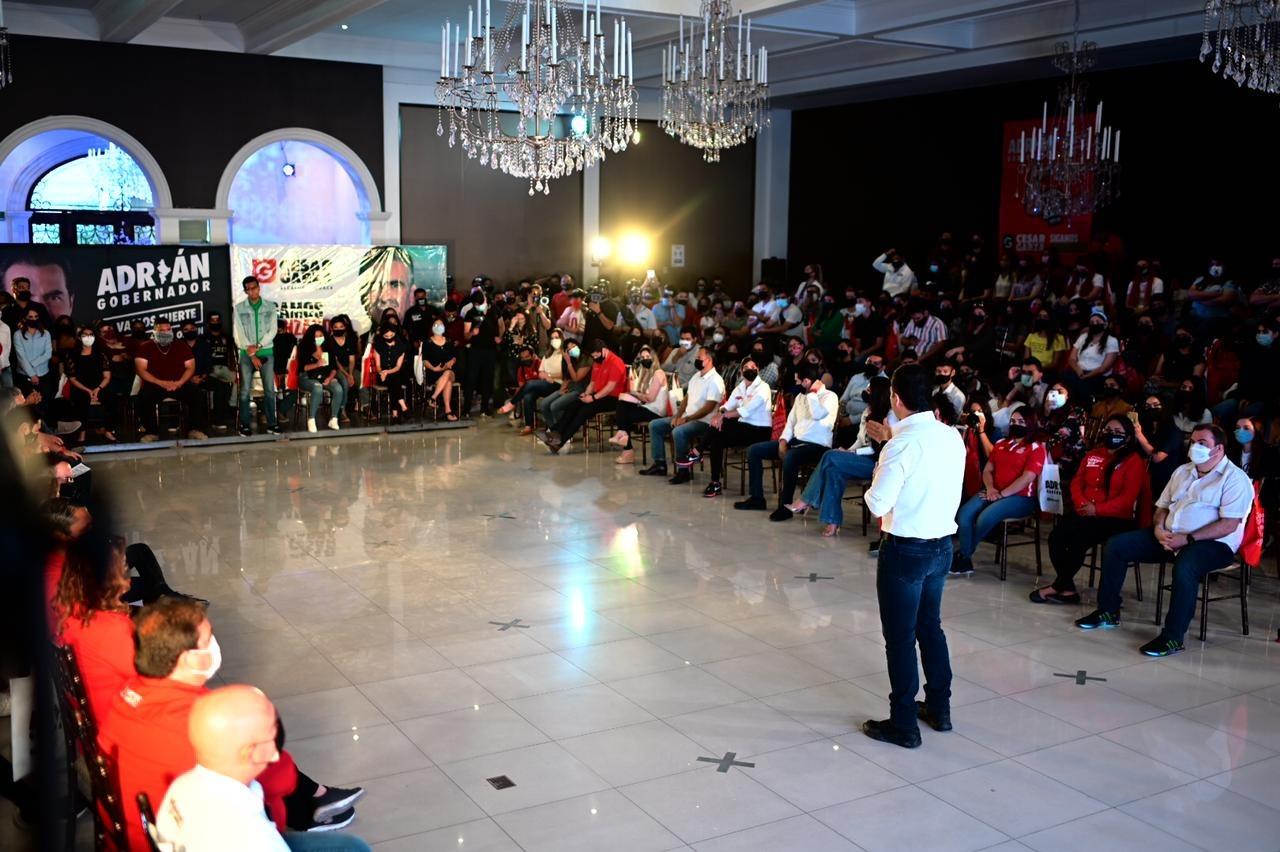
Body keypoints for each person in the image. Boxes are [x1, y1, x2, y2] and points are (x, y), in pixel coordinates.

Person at [99, 598, 365, 849]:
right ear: (187, 658)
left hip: (148, 830)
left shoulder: (129, 694)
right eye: (208, 639)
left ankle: (315, 802)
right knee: (351, 848)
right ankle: (314, 805)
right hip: (195, 840)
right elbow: (280, 780)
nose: (214, 645)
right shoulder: (199, 718)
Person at [1076, 424, 1253, 657]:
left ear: (1219, 449)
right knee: (1117, 546)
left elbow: (1229, 524)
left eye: (1203, 444)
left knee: (1186, 565)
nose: (1195, 447)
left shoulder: (1235, 479)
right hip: (1169, 535)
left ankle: (1172, 637)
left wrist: (1187, 539)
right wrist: (1159, 528)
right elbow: (1161, 507)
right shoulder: (1183, 471)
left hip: (1214, 544)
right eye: (1193, 442)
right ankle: (1108, 611)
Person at [860, 363, 965, 749]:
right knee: (930, 627)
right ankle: (939, 708)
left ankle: (903, 723)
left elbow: (877, 503)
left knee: (901, 638)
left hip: (906, 549)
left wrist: (880, 465)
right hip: (941, 546)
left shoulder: (899, 446)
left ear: (895, 398)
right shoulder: (951, 435)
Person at [158, 686, 373, 852]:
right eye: (272, 736)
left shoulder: (183, 784)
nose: (277, 753)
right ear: (250, 752)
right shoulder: (252, 835)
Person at [1030, 416, 1147, 604]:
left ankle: (1059, 587)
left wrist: (1097, 509)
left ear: (1127, 437)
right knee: (1056, 537)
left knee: (1077, 540)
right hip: (1085, 511)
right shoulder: (1093, 454)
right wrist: (1082, 504)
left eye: (1118, 432)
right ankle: (1067, 589)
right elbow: (1077, 482)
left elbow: (1127, 499)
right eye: (1108, 430)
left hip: (1114, 518)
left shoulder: (1133, 461)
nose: (1112, 435)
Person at [789, 375, 895, 538]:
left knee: (830, 456)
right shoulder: (867, 411)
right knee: (833, 470)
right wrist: (848, 451)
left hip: (877, 463)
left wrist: (851, 453)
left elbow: (877, 449)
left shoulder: (889, 416)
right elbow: (860, 440)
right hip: (861, 458)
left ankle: (806, 499)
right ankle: (832, 521)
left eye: (869, 389)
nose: (865, 391)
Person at [949, 407, 1046, 575]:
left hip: (1021, 497)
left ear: (1030, 424)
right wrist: (990, 489)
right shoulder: (1001, 444)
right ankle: (964, 558)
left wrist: (1001, 495)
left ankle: (964, 555)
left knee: (985, 517)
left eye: (1021, 422)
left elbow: (1027, 478)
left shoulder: (1036, 448)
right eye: (1013, 421)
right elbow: (988, 470)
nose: (1016, 425)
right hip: (993, 492)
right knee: (964, 514)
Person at [735, 365, 837, 521]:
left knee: (790, 457)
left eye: (798, 380)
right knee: (754, 450)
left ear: (806, 381)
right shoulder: (800, 397)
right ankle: (757, 498)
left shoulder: (829, 396)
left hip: (817, 446)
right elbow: (790, 423)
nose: (796, 383)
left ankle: (785, 505)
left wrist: (813, 393)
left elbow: (817, 414)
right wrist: (783, 440)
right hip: (796, 442)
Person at [53, 534, 135, 723]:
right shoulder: (111, 628)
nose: (126, 576)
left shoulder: (70, 611)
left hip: (94, 712)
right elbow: (147, 675)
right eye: (123, 567)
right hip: (117, 721)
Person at [688, 357, 773, 498]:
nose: (750, 370)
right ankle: (715, 482)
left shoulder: (764, 387)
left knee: (723, 424)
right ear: (741, 371)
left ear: (758, 370)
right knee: (717, 438)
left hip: (760, 430)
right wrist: (719, 414)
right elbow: (727, 405)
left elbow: (746, 410)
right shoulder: (740, 387)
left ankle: (697, 451)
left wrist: (723, 416)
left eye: (753, 367)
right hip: (743, 427)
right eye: (746, 367)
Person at [638, 349, 724, 481]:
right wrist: (678, 415)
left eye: (699, 357)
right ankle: (659, 464)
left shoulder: (715, 380)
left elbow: (709, 408)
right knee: (655, 425)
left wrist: (686, 419)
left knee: (679, 432)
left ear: (709, 360)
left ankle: (683, 471)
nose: (696, 359)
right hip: (687, 417)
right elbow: (686, 398)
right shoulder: (696, 376)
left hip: (704, 422)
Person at [544, 340, 627, 453]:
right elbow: (592, 383)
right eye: (593, 356)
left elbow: (610, 387)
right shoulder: (597, 361)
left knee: (583, 412)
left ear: (604, 350)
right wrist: (587, 393)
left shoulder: (616, 362)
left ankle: (560, 442)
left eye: (596, 355)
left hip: (613, 398)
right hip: (598, 395)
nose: (594, 358)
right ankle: (554, 433)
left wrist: (593, 398)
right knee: (573, 405)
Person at [135, 318, 209, 442]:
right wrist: (161, 382)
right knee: (143, 396)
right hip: (156, 384)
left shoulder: (181, 345)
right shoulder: (145, 347)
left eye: (168, 329)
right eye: (162, 330)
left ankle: (194, 430)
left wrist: (180, 382)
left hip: (178, 384)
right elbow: (141, 370)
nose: (166, 332)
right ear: (154, 332)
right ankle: (152, 432)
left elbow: (191, 366)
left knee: (196, 393)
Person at [233, 276, 282, 437]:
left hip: (266, 351)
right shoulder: (239, 308)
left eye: (254, 287)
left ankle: (272, 424)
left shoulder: (270, 307)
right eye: (248, 289)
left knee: (269, 390)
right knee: (244, 390)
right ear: (245, 291)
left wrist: (259, 346)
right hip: (246, 353)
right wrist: (252, 352)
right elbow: (239, 332)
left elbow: (273, 330)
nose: (252, 291)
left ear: (259, 288)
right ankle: (244, 425)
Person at [609, 345, 668, 464]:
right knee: (622, 403)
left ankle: (627, 448)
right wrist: (633, 394)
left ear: (654, 358)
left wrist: (635, 394)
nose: (645, 359)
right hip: (647, 407)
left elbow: (650, 398)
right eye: (642, 357)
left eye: (648, 356)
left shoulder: (658, 373)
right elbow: (643, 395)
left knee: (624, 416)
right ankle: (624, 439)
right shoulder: (646, 373)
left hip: (656, 411)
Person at [64, 325, 116, 443]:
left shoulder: (101, 354)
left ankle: (107, 430)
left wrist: (98, 389)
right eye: (85, 335)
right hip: (81, 387)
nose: (88, 337)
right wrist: (88, 390)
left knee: (111, 398)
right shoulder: (72, 355)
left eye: (91, 335)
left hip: (100, 386)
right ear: (79, 338)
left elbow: (107, 377)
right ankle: (82, 433)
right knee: (81, 400)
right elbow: (72, 378)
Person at [296, 324, 345, 433]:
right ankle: (311, 419)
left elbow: (334, 368)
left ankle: (333, 419)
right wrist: (317, 364)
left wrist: (330, 378)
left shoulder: (328, 347)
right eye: (316, 336)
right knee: (317, 387)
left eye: (320, 335)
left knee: (338, 388)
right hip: (307, 377)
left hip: (324, 376)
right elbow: (303, 368)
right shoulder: (304, 347)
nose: (319, 338)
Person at [462, 290, 503, 417]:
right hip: (475, 350)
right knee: (471, 378)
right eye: (476, 304)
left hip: (490, 350)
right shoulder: (470, 313)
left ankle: (485, 408)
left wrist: (500, 336)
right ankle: (466, 408)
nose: (478, 306)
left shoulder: (495, 310)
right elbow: (465, 335)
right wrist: (471, 333)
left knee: (488, 378)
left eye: (480, 303)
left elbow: (501, 325)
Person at [1065, 307, 1120, 401]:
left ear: (1105, 324)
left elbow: (1105, 367)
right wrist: (1078, 370)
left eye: (1098, 322)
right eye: (1092, 322)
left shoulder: (1111, 340)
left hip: (1097, 375)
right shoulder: (1083, 337)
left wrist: (1087, 376)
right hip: (1078, 372)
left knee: (1083, 387)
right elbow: (1072, 359)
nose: (1094, 324)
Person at [420, 318, 459, 421]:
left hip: (449, 371)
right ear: (432, 328)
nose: (439, 327)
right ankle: (448, 411)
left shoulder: (449, 341)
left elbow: (454, 357)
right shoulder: (427, 342)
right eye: (436, 325)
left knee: (448, 373)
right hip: (434, 372)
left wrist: (451, 362)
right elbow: (424, 360)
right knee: (448, 382)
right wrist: (434, 368)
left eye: (441, 325)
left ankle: (433, 397)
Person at [372, 322, 411, 422]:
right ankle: (403, 406)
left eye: (391, 335)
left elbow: (398, 367)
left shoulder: (401, 347)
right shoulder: (378, 346)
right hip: (382, 375)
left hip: (395, 372)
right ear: (382, 335)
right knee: (394, 382)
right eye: (386, 336)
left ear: (395, 333)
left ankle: (395, 414)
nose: (389, 337)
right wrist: (382, 372)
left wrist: (387, 372)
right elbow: (378, 366)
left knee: (393, 381)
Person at [326, 315, 359, 424]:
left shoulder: (349, 340)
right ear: (332, 328)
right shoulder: (329, 341)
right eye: (336, 327)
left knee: (361, 378)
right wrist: (347, 375)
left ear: (345, 327)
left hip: (349, 368)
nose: (339, 329)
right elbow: (335, 361)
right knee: (344, 382)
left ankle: (365, 406)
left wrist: (351, 374)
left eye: (341, 326)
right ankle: (342, 410)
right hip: (335, 369)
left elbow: (352, 360)